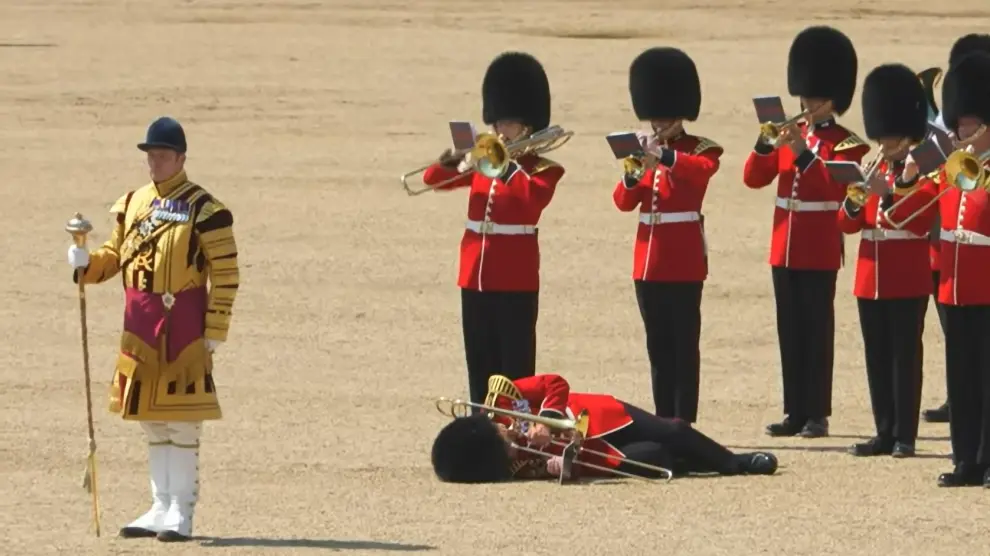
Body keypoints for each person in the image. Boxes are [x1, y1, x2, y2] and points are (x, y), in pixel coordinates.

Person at [66, 116, 240, 540]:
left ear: (181, 158)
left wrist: (215, 326)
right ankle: (160, 505)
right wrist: (87, 266)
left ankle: (182, 509)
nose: (155, 163)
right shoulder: (132, 204)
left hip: (183, 328)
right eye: (151, 155)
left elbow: (226, 273)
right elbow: (114, 254)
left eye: (163, 155)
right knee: (151, 421)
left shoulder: (206, 210)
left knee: (181, 423)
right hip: (139, 326)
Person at [743, 25, 870, 439]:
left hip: (817, 244)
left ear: (833, 100)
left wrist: (801, 154)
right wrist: (766, 146)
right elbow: (753, 178)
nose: (807, 103)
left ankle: (817, 412)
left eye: (815, 98)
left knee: (817, 330)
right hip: (785, 244)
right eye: (805, 96)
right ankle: (794, 410)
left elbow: (832, 188)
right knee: (790, 330)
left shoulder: (848, 145)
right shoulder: (788, 134)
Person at [420, 52, 565, 406]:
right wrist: (454, 158)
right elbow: (431, 180)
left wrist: (505, 166)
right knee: (479, 364)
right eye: (497, 123)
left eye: (509, 125)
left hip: (514, 280)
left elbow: (530, 202)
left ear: (527, 128)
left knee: (514, 372)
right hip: (474, 276)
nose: (500, 131)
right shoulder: (482, 162)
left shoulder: (543, 169)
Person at [612, 47, 722, 423]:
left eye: (664, 117)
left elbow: (701, 171)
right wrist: (633, 172)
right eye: (654, 117)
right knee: (658, 345)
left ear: (680, 116)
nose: (658, 123)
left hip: (683, 260)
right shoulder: (645, 154)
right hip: (648, 261)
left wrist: (665, 157)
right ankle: (663, 418)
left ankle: (683, 419)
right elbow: (624, 203)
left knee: (683, 346)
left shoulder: (699, 149)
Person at [837, 64, 939, 458]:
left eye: (891, 134)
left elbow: (914, 221)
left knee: (904, 358)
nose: (885, 140)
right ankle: (883, 431)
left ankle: (906, 436)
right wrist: (855, 196)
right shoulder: (875, 167)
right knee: (876, 356)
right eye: (882, 134)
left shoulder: (924, 170)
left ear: (907, 134)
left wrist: (891, 192)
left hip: (906, 276)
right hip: (870, 275)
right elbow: (847, 224)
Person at [431, 374, 779, 482]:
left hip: (597, 414)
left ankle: (736, 463)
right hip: (594, 451)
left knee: (673, 431)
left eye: (504, 441)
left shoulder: (502, 399)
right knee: (659, 459)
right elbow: (557, 469)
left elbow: (554, 383)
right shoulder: (514, 466)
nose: (514, 444)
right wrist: (561, 467)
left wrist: (549, 423)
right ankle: (695, 464)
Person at [922, 52, 990, 487]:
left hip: (986, 286)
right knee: (962, 378)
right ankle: (967, 458)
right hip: (955, 286)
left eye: (967, 126)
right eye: (958, 125)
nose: (959, 133)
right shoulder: (951, 171)